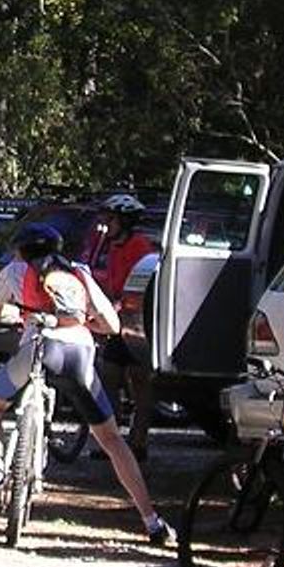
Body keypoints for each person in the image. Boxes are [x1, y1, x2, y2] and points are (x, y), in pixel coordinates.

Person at [0, 224, 169, 544]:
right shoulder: (78, 271)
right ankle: (151, 522)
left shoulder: (14, 271)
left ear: (21, 250)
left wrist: (16, 311)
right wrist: (86, 320)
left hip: (37, 348)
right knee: (110, 439)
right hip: (78, 353)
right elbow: (112, 324)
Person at [90, 192, 156, 460]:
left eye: (112, 219)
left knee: (140, 382)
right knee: (110, 376)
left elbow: (143, 282)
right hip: (119, 320)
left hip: (137, 321)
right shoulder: (112, 248)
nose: (107, 225)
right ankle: (113, 441)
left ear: (125, 221)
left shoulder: (140, 246)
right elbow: (112, 283)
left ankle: (139, 441)